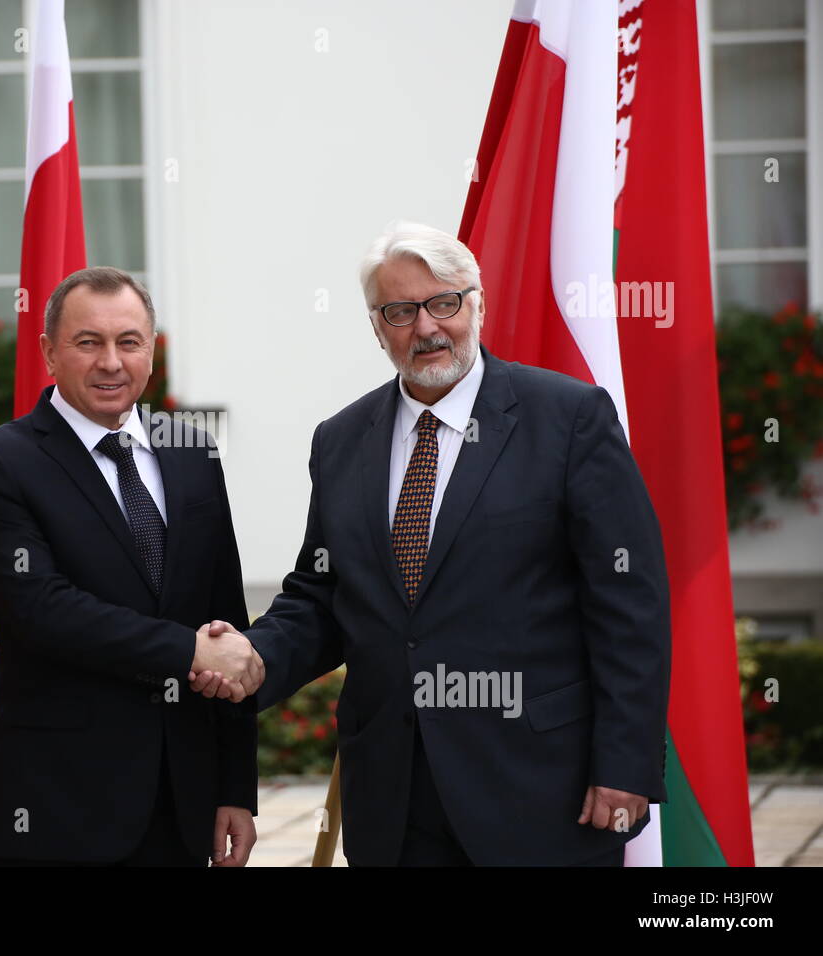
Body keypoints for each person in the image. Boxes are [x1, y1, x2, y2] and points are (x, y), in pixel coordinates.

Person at [193, 222, 671, 866]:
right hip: (394, 795)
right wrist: (252, 656)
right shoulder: (341, 440)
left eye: (444, 302)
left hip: (539, 787)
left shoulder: (568, 419)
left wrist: (625, 763)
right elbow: (322, 594)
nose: (425, 327)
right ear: (375, 325)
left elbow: (629, 605)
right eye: (399, 311)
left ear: (478, 305)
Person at [0, 266, 262, 866]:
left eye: (129, 342)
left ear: (152, 350)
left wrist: (234, 787)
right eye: (88, 342)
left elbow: (224, 616)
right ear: (49, 352)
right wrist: (187, 652)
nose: (111, 363)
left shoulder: (191, 451)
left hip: (183, 802)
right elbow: (39, 610)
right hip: (59, 808)